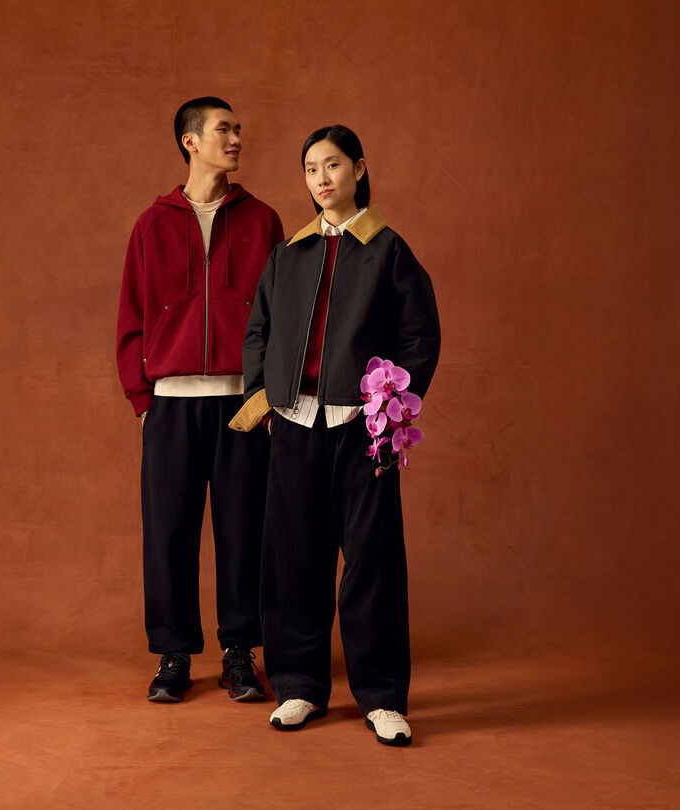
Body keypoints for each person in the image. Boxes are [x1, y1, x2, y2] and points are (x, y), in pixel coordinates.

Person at [232, 125, 440, 745]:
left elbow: (419, 336)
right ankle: (298, 685)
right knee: (295, 555)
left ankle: (380, 696)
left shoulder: (388, 249)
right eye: (310, 169)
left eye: (332, 166)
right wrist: (262, 395)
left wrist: (393, 405)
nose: (321, 179)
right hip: (295, 423)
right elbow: (258, 331)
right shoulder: (288, 254)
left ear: (359, 168)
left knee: (371, 559)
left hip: (363, 428)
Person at [116, 97, 285, 702]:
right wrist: (144, 399)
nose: (237, 137)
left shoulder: (263, 220)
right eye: (224, 129)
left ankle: (241, 653)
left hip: (243, 401)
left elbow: (282, 316)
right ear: (191, 141)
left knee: (245, 531)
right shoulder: (152, 225)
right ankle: (173, 655)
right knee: (168, 532)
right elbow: (131, 316)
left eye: (238, 128)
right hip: (170, 403)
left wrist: (268, 394)